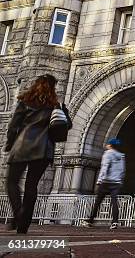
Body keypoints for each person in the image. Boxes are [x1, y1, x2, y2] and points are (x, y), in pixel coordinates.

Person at [4, 74, 72, 234]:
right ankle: (24, 223)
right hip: (44, 149)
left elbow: (13, 125)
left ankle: (18, 213)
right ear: (53, 87)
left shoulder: (25, 101)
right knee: (31, 186)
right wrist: (64, 112)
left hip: (22, 146)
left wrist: (9, 144)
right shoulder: (56, 105)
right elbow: (67, 125)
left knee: (12, 182)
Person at [81, 138, 125, 229]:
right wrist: (120, 179)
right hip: (116, 182)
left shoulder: (107, 154)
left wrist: (99, 180)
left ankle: (90, 220)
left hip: (106, 182)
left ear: (110, 145)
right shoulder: (121, 156)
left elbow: (105, 167)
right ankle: (115, 222)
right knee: (114, 202)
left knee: (98, 201)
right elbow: (122, 170)